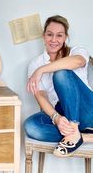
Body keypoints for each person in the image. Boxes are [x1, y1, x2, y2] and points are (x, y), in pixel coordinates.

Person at [24, 15, 93, 157]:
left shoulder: (76, 51)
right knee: (31, 126)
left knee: (61, 73)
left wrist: (41, 70)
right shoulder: (34, 63)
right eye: (50, 34)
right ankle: (82, 137)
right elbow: (40, 95)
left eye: (59, 35)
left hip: (87, 110)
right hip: (62, 113)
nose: (54, 40)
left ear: (65, 37)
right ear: (44, 36)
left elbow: (78, 62)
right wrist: (56, 118)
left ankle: (74, 129)